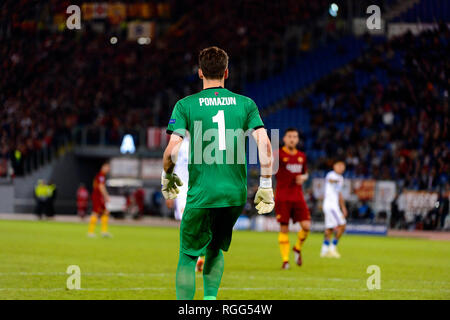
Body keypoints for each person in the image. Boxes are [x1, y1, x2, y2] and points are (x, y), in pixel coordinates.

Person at [161, 46, 274, 300]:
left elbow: (172, 149)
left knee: (189, 254)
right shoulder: (246, 104)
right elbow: (265, 145)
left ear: (200, 73)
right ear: (226, 72)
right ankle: (210, 302)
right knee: (214, 248)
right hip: (234, 194)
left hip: (202, 192)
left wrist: (167, 176)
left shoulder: (185, 105)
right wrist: (266, 184)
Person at [165, 135, 206, 272]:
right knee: (190, 224)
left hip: (192, 189)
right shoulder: (184, 145)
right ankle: (197, 257)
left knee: (190, 224)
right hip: (187, 188)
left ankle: (195, 257)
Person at [274, 128, 310, 269]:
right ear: (284, 138)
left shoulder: (302, 156)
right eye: (289, 136)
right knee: (284, 228)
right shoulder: (278, 154)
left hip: (298, 196)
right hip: (283, 196)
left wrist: (304, 177)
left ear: (298, 139)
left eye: (295, 136)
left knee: (306, 226)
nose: (292, 139)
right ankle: (285, 260)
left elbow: (306, 173)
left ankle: (297, 247)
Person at [320, 160, 348, 258]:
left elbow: (339, 194)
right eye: (339, 165)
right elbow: (330, 180)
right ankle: (332, 247)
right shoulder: (331, 175)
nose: (341, 167)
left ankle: (324, 250)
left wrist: (343, 207)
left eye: (342, 166)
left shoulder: (341, 178)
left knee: (330, 228)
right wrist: (337, 181)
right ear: (334, 166)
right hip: (331, 206)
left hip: (333, 206)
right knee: (342, 225)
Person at [87, 163, 111, 237]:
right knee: (96, 212)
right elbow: (101, 186)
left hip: (99, 196)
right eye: (107, 167)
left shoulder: (101, 176)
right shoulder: (101, 176)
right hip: (98, 196)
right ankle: (90, 232)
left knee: (105, 212)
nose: (108, 169)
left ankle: (104, 232)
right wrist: (106, 196)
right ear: (103, 167)